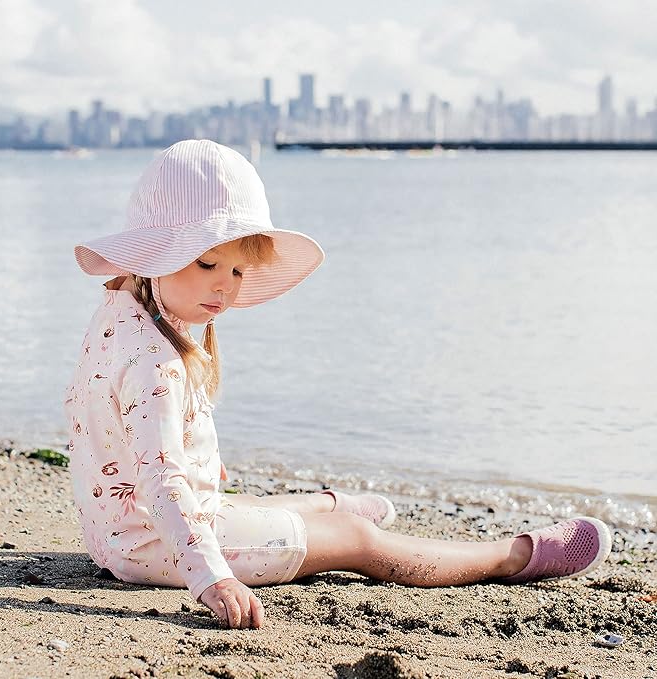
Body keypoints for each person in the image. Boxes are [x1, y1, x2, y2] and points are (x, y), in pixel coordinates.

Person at [65, 139, 612, 630]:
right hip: (150, 543)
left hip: (116, 525)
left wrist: (200, 458)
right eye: (208, 262)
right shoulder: (154, 360)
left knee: (257, 504)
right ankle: (512, 555)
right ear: (157, 255)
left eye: (236, 271)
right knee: (359, 543)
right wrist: (212, 578)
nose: (225, 287)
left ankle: (328, 506)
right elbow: (162, 479)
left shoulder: (123, 309)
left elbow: (119, 427)